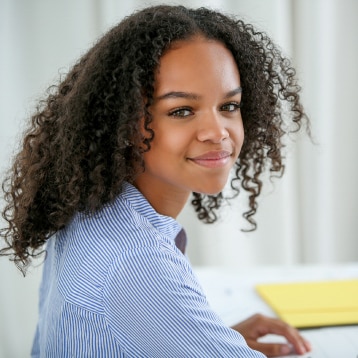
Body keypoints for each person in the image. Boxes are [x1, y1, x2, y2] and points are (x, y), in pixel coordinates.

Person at [0, 5, 312, 357]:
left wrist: (209, 337)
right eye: (181, 111)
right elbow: (134, 282)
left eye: (229, 105)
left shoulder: (93, 211)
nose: (217, 132)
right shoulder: (137, 260)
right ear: (125, 121)